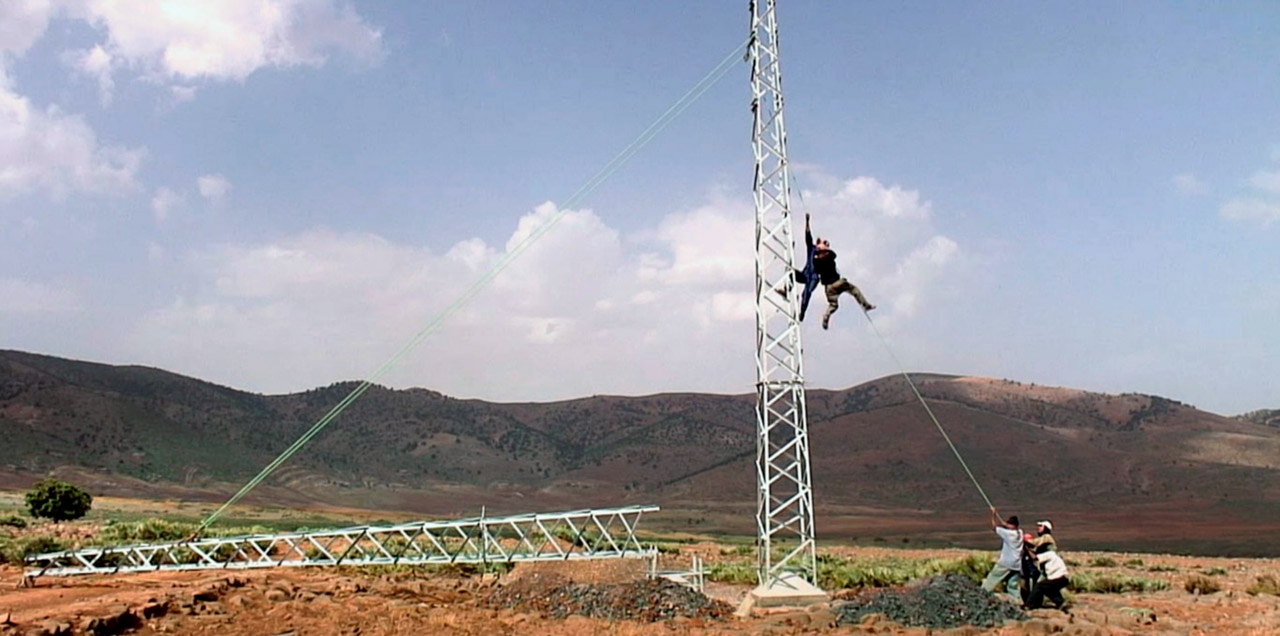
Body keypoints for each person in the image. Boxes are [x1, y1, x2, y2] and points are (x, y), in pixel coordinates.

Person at [811, 233, 874, 330]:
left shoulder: (816, 263)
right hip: (837, 283)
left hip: (828, 288)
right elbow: (832, 254)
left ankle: (826, 315)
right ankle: (865, 305)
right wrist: (825, 246)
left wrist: (818, 248)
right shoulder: (829, 257)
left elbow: (816, 257)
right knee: (854, 290)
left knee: (833, 305)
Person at [773, 213, 822, 321]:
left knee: (806, 293)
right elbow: (808, 237)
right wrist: (807, 222)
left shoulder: (824, 255)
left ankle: (802, 312)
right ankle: (786, 290)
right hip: (806, 274)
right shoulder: (812, 249)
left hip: (813, 278)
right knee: (791, 273)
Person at [981, 509, 1023, 598]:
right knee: (1013, 584)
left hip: (1006, 562)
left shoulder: (1008, 534)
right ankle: (1017, 600)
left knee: (993, 577)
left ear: (1012, 525)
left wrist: (993, 514)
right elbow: (1007, 526)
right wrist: (1005, 524)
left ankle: (983, 593)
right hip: (1017, 564)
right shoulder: (1020, 533)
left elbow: (993, 527)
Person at [1026, 541, 1071, 611]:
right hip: (1064, 578)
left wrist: (1027, 549)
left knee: (1039, 586)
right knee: (1048, 589)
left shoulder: (1049, 554)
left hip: (1058, 577)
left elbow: (1035, 558)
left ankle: (1029, 605)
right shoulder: (1054, 556)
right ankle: (1061, 603)